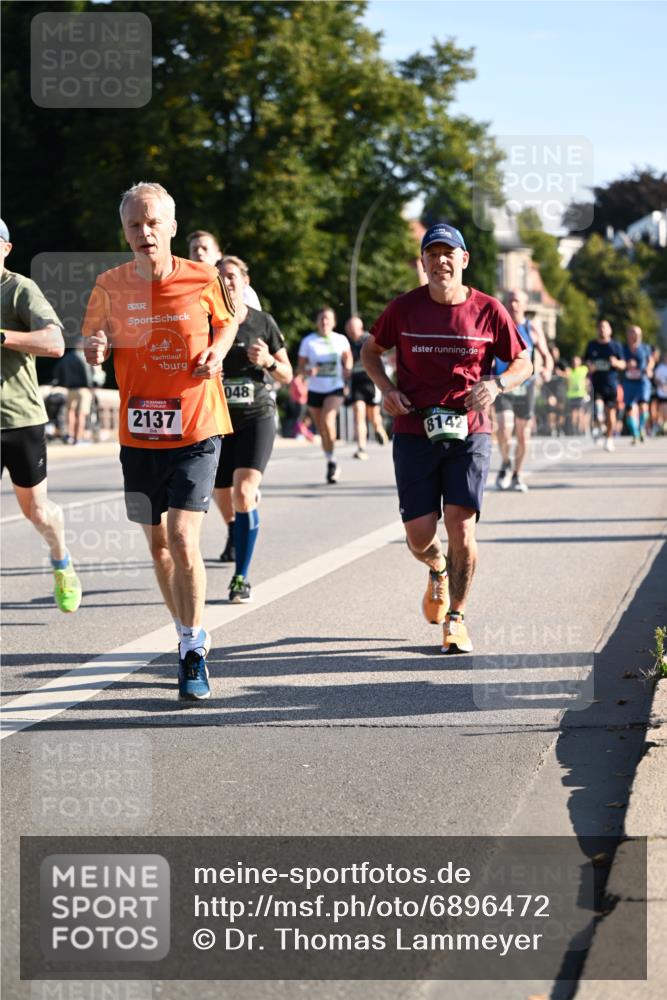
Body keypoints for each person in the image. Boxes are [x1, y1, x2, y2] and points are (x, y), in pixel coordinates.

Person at [83, 183, 238, 701]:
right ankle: (186, 630)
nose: (144, 232)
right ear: (124, 230)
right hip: (140, 432)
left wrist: (217, 349)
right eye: (134, 224)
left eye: (153, 223)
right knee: (158, 548)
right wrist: (97, 347)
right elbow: (92, 340)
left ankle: (192, 650)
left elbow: (227, 322)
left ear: (171, 226)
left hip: (197, 425)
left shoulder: (203, 277)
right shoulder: (108, 284)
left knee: (181, 537)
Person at [361, 222, 531, 653]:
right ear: (423, 262)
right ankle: (437, 568)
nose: (441, 261)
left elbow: (523, 362)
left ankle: (456, 617)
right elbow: (369, 351)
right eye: (432, 254)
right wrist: (387, 388)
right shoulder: (403, 309)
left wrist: (497, 385)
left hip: (470, 431)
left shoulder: (490, 310)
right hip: (414, 430)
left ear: (464, 260)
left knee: (462, 529)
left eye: (448, 253)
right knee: (419, 535)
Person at [0, 218, 82, 613]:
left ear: (6, 249)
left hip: (19, 421)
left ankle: (61, 558)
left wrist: (3, 336)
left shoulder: (18, 290)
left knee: (35, 511)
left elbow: (54, 342)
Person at [214, 256, 292, 602]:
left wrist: (269, 362)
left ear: (245, 281)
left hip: (255, 415)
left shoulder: (263, 322)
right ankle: (236, 531)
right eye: (220, 277)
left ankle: (241, 577)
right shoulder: (204, 322)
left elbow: (287, 374)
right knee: (221, 496)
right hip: (216, 420)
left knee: (243, 492)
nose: (227, 282)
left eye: (232, 276)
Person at [495, 289, 552, 492]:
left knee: (522, 434)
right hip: (502, 386)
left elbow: (547, 356)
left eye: (517, 301)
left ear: (525, 305)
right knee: (503, 428)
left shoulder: (532, 329)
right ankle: (505, 463)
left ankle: (517, 474)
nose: (513, 304)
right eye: (510, 300)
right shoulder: (498, 327)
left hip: (525, 387)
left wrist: (546, 370)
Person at [298, 308, 352, 483]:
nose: (324, 322)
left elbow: (348, 357)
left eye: (328, 319)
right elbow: (300, 367)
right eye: (321, 319)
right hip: (315, 390)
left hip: (335, 388)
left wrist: (347, 369)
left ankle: (332, 460)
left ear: (333, 322)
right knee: (321, 428)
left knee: (328, 421)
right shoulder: (308, 342)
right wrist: (308, 370)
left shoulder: (340, 339)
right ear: (317, 322)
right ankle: (331, 459)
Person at [345, 315, 389, 459]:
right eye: (349, 328)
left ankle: (378, 428)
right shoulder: (347, 345)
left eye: (354, 328)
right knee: (358, 413)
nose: (352, 331)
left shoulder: (367, 339)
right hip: (356, 381)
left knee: (373, 415)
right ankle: (361, 448)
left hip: (371, 379)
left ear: (360, 327)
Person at [584, 319, 625, 452]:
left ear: (610, 330)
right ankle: (599, 425)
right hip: (596, 384)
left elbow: (624, 364)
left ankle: (609, 439)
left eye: (605, 327)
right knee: (597, 408)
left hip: (610, 384)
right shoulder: (591, 345)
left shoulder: (615, 346)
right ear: (597, 329)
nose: (602, 329)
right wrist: (589, 367)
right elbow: (585, 362)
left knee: (611, 415)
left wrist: (616, 363)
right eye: (600, 327)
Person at [52, 342, 96, 445]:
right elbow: (88, 374)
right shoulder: (83, 357)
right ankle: (78, 438)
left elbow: (57, 373)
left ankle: (70, 436)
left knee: (70, 413)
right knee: (81, 414)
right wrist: (91, 386)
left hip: (70, 389)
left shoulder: (66, 358)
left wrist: (63, 383)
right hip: (83, 389)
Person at [622, 325, 654, 444]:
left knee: (643, 405)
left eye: (637, 333)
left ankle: (641, 428)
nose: (635, 335)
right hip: (629, 382)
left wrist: (649, 368)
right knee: (629, 408)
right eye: (633, 333)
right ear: (628, 335)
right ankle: (635, 433)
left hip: (642, 381)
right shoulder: (623, 348)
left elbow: (651, 361)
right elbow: (619, 361)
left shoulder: (645, 347)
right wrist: (626, 364)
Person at [565, 355, 590, 435]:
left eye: (577, 361)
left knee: (580, 412)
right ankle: (574, 430)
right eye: (574, 361)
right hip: (571, 395)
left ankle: (581, 430)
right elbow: (566, 379)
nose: (575, 362)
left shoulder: (583, 369)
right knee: (573, 414)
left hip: (581, 394)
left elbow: (588, 378)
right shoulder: (570, 371)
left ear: (580, 362)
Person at [653, 350, 667, 435]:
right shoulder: (660, 368)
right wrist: (661, 385)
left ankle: (663, 426)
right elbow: (655, 379)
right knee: (663, 410)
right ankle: (661, 426)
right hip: (662, 393)